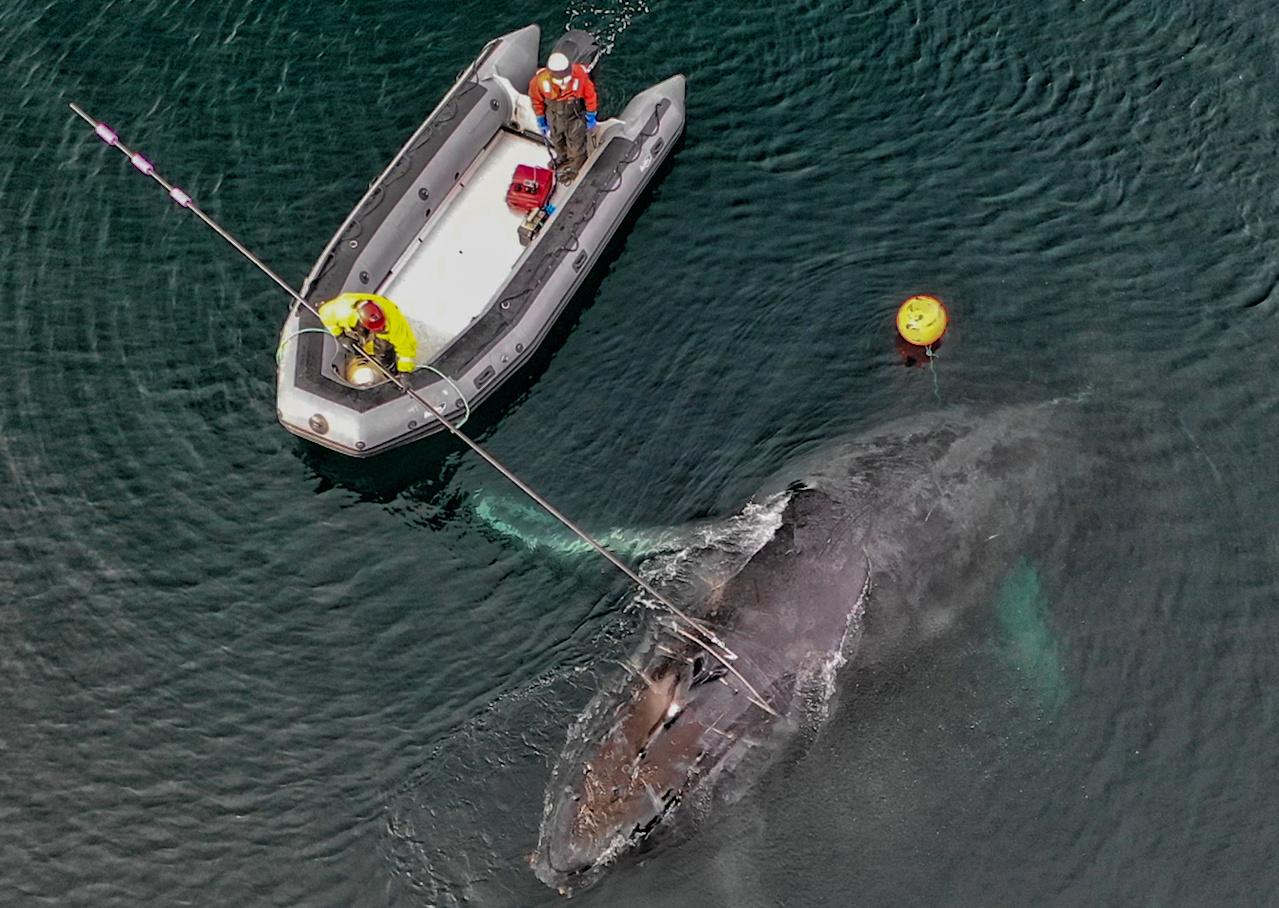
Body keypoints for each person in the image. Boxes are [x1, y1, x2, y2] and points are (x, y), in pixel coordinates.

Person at [528, 51, 598, 183]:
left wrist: (591, 115)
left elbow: (590, 96)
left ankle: (576, 164)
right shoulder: (539, 82)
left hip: (574, 116)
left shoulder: (580, 76)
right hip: (554, 116)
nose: (565, 84)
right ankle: (562, 157)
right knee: (556, 138)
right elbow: (536, 100)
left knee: (576, 142)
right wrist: (541, 119)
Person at [317, 293, 418, 374]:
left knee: (384, 352)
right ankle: (363, 353)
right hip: (357, 326)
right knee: (356, 344)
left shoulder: (395, 322)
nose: (380, 329)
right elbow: (326, 316)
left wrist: (405, 372)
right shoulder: (340, 311)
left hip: (381, 330)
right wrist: (340, 336)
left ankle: (391, 370)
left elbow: (406, 348)